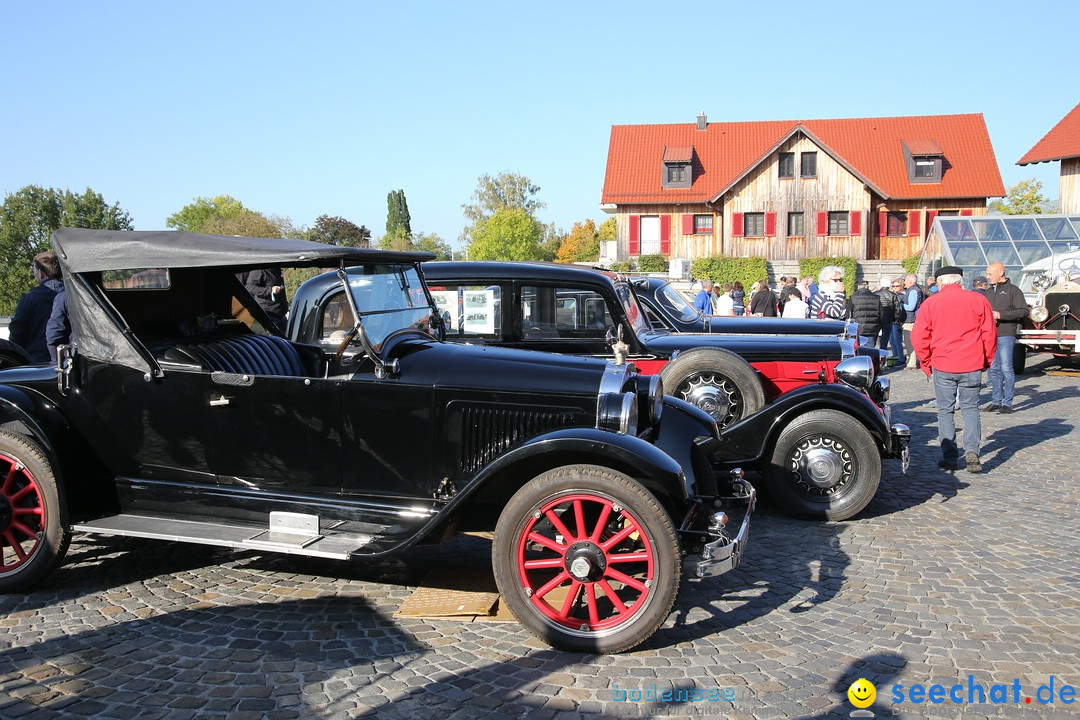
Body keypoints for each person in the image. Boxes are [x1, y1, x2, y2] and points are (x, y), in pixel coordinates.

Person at [911, 266, 996, 473]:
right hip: (971, 362)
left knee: (945, 411)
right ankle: (972, 450)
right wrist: (987, 359)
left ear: (940, 283)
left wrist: (925, 360)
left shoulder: (931, 302)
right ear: (960, 281)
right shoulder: (978, 300)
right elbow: (989, 333)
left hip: (943, 362)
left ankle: (950, 456)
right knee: (970, 408)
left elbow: (919, 336)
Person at [982, 261, 1028, 414]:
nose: (987, 277)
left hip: (1006, 333)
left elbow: (1023, 311)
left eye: (990, 274)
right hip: (991, 334)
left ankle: (1007, 402)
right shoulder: (988, 292)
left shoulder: (1013, 291)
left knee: (1006, 368)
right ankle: (996, 400)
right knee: (994, 369)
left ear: (1001, 273)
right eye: (987, 274)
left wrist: (1001, 315)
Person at [9, 252, 65, 364]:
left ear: (40, 273)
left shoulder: (29, 300)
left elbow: (17, 334)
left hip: (36, 362)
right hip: (68, 360)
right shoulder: (72, 296)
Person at [845, 280, 883, 347]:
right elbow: (881, 314)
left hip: (857, 327)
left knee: (858, 349)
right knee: (870, 349)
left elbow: (848, 314)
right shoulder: (876, 298)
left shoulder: (853, 297)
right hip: (872, 328)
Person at [901, 274, 925, 368]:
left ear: (910, 281)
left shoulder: (913, 290)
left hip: (910, 320)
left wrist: (900, 305)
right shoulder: (915, 289)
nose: (904, 282)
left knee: (909, 342)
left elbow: (911, 307)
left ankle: (911, 363)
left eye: (905, 281)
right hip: (912, 318)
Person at [876, 281, 902, 363]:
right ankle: (883, 360)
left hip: (878, 319)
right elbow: (898, 309)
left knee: (875, 341)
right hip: (888, 319)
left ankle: (877, 359)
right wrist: (895, 319)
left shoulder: (875, 294)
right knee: (885, 341)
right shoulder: (893, 295)